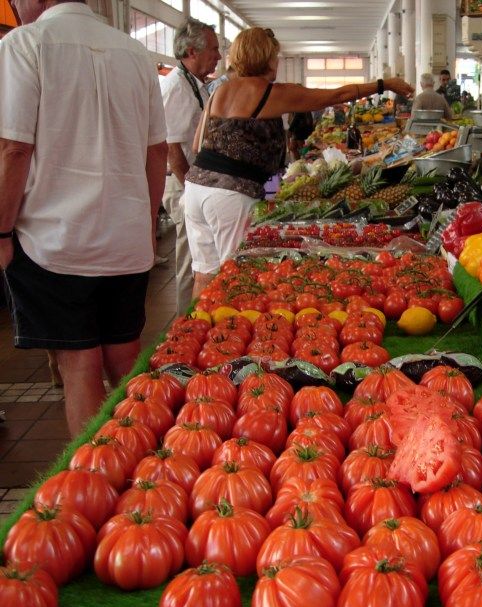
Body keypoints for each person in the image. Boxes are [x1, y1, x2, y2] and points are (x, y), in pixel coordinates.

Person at [0, 0, 168, 436]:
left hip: (54, 238)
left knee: (79, 364)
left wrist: (0, 231)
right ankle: (154, 459)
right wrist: (146, 226)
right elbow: (157, 152)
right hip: (125, 236)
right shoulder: (134, 53)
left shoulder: (25, 44)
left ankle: (100, 479)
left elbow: (13, 148)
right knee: (124, 356)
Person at [183, 28, 414, 296]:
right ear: (268, 58)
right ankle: (225, 330)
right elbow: (336, 96)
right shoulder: (270, 92)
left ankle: (190, 330)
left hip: (196, 188)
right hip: (229, 194)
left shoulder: (218, 91)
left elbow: (196, 145)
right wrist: (384, 84)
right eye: (276, 56)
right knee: (234, 273)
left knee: (204, 273)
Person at [160, 19, 221, 315]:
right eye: (214, 49)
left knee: (201, 255)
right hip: (184, 183)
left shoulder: (196, 85)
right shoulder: (176, 87)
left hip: (196, 183)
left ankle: (198, 314)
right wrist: (191, 190)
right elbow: (171, 146)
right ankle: (185, 323)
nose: (218, 57)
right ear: (192, 50)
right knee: (191, 258)